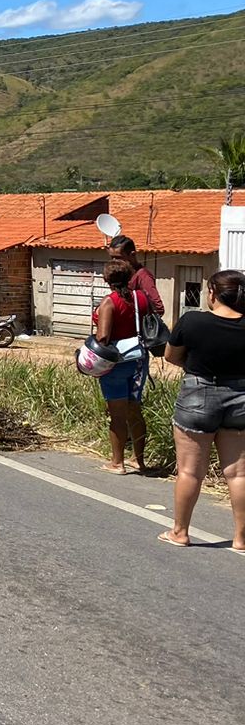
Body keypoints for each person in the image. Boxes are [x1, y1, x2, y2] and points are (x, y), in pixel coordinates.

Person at [160, 270, 245, 551]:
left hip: (198, 393)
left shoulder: (193, 321)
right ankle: (241, 538)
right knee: (238, 474)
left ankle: (180, 532)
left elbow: (171, 356)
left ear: (213, 293)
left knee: (190, 471)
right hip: (241, 397)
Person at [93, 259, 148, 474]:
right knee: (135, 410)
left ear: (107, 280)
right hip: (139, 361)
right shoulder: (140, 298)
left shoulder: (110, 302)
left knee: (117, 414)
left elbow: (104, 336)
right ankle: (138, 459)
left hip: (115, 363)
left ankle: (117, 462)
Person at [109, 236, 164, 318]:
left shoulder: (143, 276)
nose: (114, 262)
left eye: (118, 258)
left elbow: (158, 308)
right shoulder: (121, 275)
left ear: (132, 255)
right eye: (112, 258)